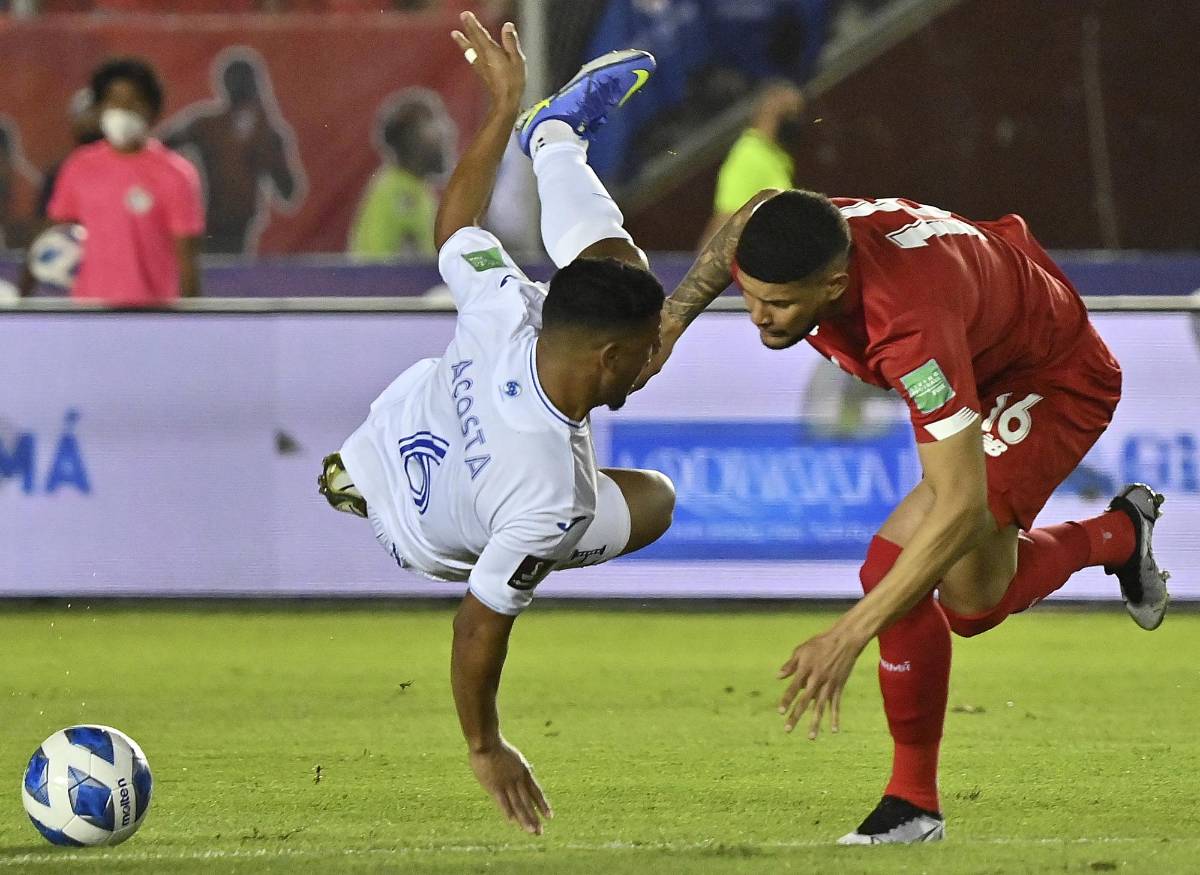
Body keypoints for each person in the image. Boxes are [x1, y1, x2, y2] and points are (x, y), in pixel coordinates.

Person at [641, 189, 1172, 843]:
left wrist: (849, 633)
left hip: (1047, 372)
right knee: (974, 607)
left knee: (895, 568)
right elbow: (744, 223)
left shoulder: (909, 329)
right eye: (749, 295)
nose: (758, 315)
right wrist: (670, 320)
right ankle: (1118, 534)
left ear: (834, 282)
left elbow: (958, 504)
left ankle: (913, 805)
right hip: (989, 315)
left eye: (777, 303)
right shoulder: (795, 236)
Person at [320, 12, 668, 836]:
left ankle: (549, 137)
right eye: (647, 352)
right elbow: (478, 622)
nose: (656, 361)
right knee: (655, 501)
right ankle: (556, 144)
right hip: (419, 531)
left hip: (379, 451)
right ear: (610, 358)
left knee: (623, 274)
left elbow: (457, 232)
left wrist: (500, 108)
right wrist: (486, 744)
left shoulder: (510, 305)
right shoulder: (552, 494)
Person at [27, 58, 203, 304]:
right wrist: (21, 300)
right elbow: (49, 237)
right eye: (114, 101)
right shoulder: (79, 167)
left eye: (134, 103)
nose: (123, 110)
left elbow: (187, 261)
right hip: (89, 314)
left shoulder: (177, 174)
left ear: (152, 109)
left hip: (153, 316)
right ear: (99, 108)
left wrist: (192, 323)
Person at [161, 50, 303, 254]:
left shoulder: (262, 133)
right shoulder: (209, 125)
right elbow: (288, 192)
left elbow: (289, 193)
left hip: (237, 228)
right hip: (215, 224)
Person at [347, 89, 456, 261]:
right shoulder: (393, 193)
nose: (445, 133)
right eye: (431, 125)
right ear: (410, 139)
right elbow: (376, 268)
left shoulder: (419, 192)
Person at [697, 81, 804, 250]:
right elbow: (727, 218)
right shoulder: (749, 155)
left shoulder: (774, 156)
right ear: (767, 112)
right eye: (789, 113)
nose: (795, 120)